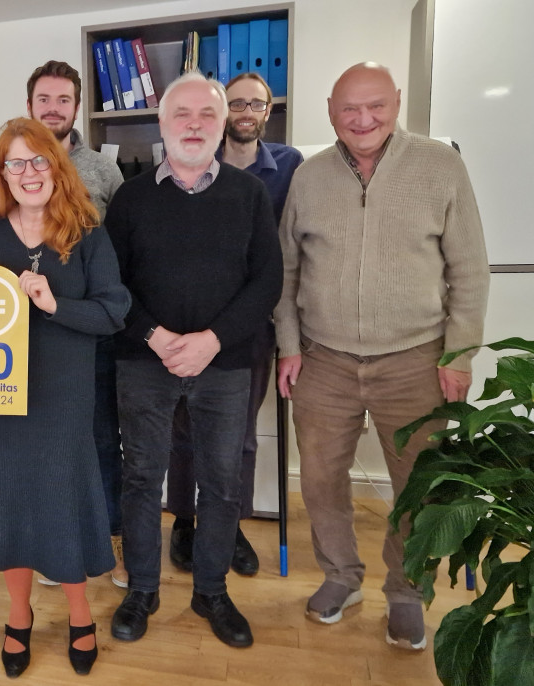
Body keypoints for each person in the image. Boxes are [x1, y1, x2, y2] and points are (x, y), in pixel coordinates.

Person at [275, 62, 489, 650]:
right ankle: (340, 577)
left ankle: (406, 591)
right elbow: (286, 270)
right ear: (329, 110)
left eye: (375, 106)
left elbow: (469, 269)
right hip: (324, 360)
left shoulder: (440, 165)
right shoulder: (309, 177)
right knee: (319, 481)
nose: (363, 119)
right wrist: (289, 346)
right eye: (349, 108)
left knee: (417, 486)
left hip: (417, 361)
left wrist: (459, 353)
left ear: (397, 102)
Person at [106, 72, 282, 649]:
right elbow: (112, 285)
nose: (195, 124)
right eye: (182, 114)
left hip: (225, 364)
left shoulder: (249, 194)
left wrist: (211, 339)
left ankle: (211, 591)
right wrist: (155, 336)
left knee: (223, 483)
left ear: (222, 122)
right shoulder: (130, 198)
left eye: (207, 115)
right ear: (162, 123)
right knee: (141, 479)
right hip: (144, 362)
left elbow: (267, 282)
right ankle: (143, 590)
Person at [0, 117, 130, 678]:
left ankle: (80, 614)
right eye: (15, 163)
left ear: (57, 167)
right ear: (1, 173)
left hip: (63, 398)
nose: (28, 173)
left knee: (63, 506)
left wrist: (55, 304)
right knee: (9, 510)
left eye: (39, 161)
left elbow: (113, 312)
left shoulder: (88, 233)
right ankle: (19, 615)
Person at [165, 72, 304, 576]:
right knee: (183, 429)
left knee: (238, 432)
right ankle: (184, 519)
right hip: (188, 322)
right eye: (238, 102)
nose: (247, 112)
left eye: (257, 104)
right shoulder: (195, 158)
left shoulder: (291, 167)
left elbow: (287, 249)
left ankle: (229, 521)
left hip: (249, 323)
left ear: (269, 111)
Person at [25, 59, 128, 587]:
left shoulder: (104, 172)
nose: (53, 109)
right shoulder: (12, 163)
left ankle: (111, 533)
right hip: (32, 338)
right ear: (30, 106)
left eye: (63, 100)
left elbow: (120, 255)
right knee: (47, 440)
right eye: (45, 99)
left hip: (91, 333)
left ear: (77, 106)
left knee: (101, 438)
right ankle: (53, 539)